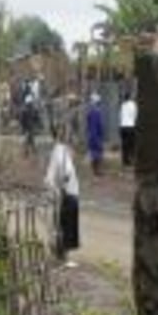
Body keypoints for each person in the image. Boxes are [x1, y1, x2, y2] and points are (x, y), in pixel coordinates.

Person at [45, 138, 81, 266]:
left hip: (68, 193)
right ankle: (63, 255)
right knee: (65, 226)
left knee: (64, 225)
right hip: (65, 195)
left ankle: (61, 253)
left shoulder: (62, 152)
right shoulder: (61, 153)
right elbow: (62, 174)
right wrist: (61, 188)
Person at [85, 93, 107, 175]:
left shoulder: (92, 112)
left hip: (93, 135)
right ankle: (97, 170)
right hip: (95, 136)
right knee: (97, 153)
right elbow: (94, 127)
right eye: (98, 103)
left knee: (95, 153)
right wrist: (96, 138)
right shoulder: (95, 113)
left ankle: (96, 170)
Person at [118, 92, 138, 168]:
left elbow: (120, 116)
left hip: (123, 127)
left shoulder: (123, 105)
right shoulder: (133, 105)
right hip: (131, 127)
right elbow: (135, 115)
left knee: (124, 145)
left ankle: (125, 161)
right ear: (130, 97)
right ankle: (131, 160)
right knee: (132, 144)